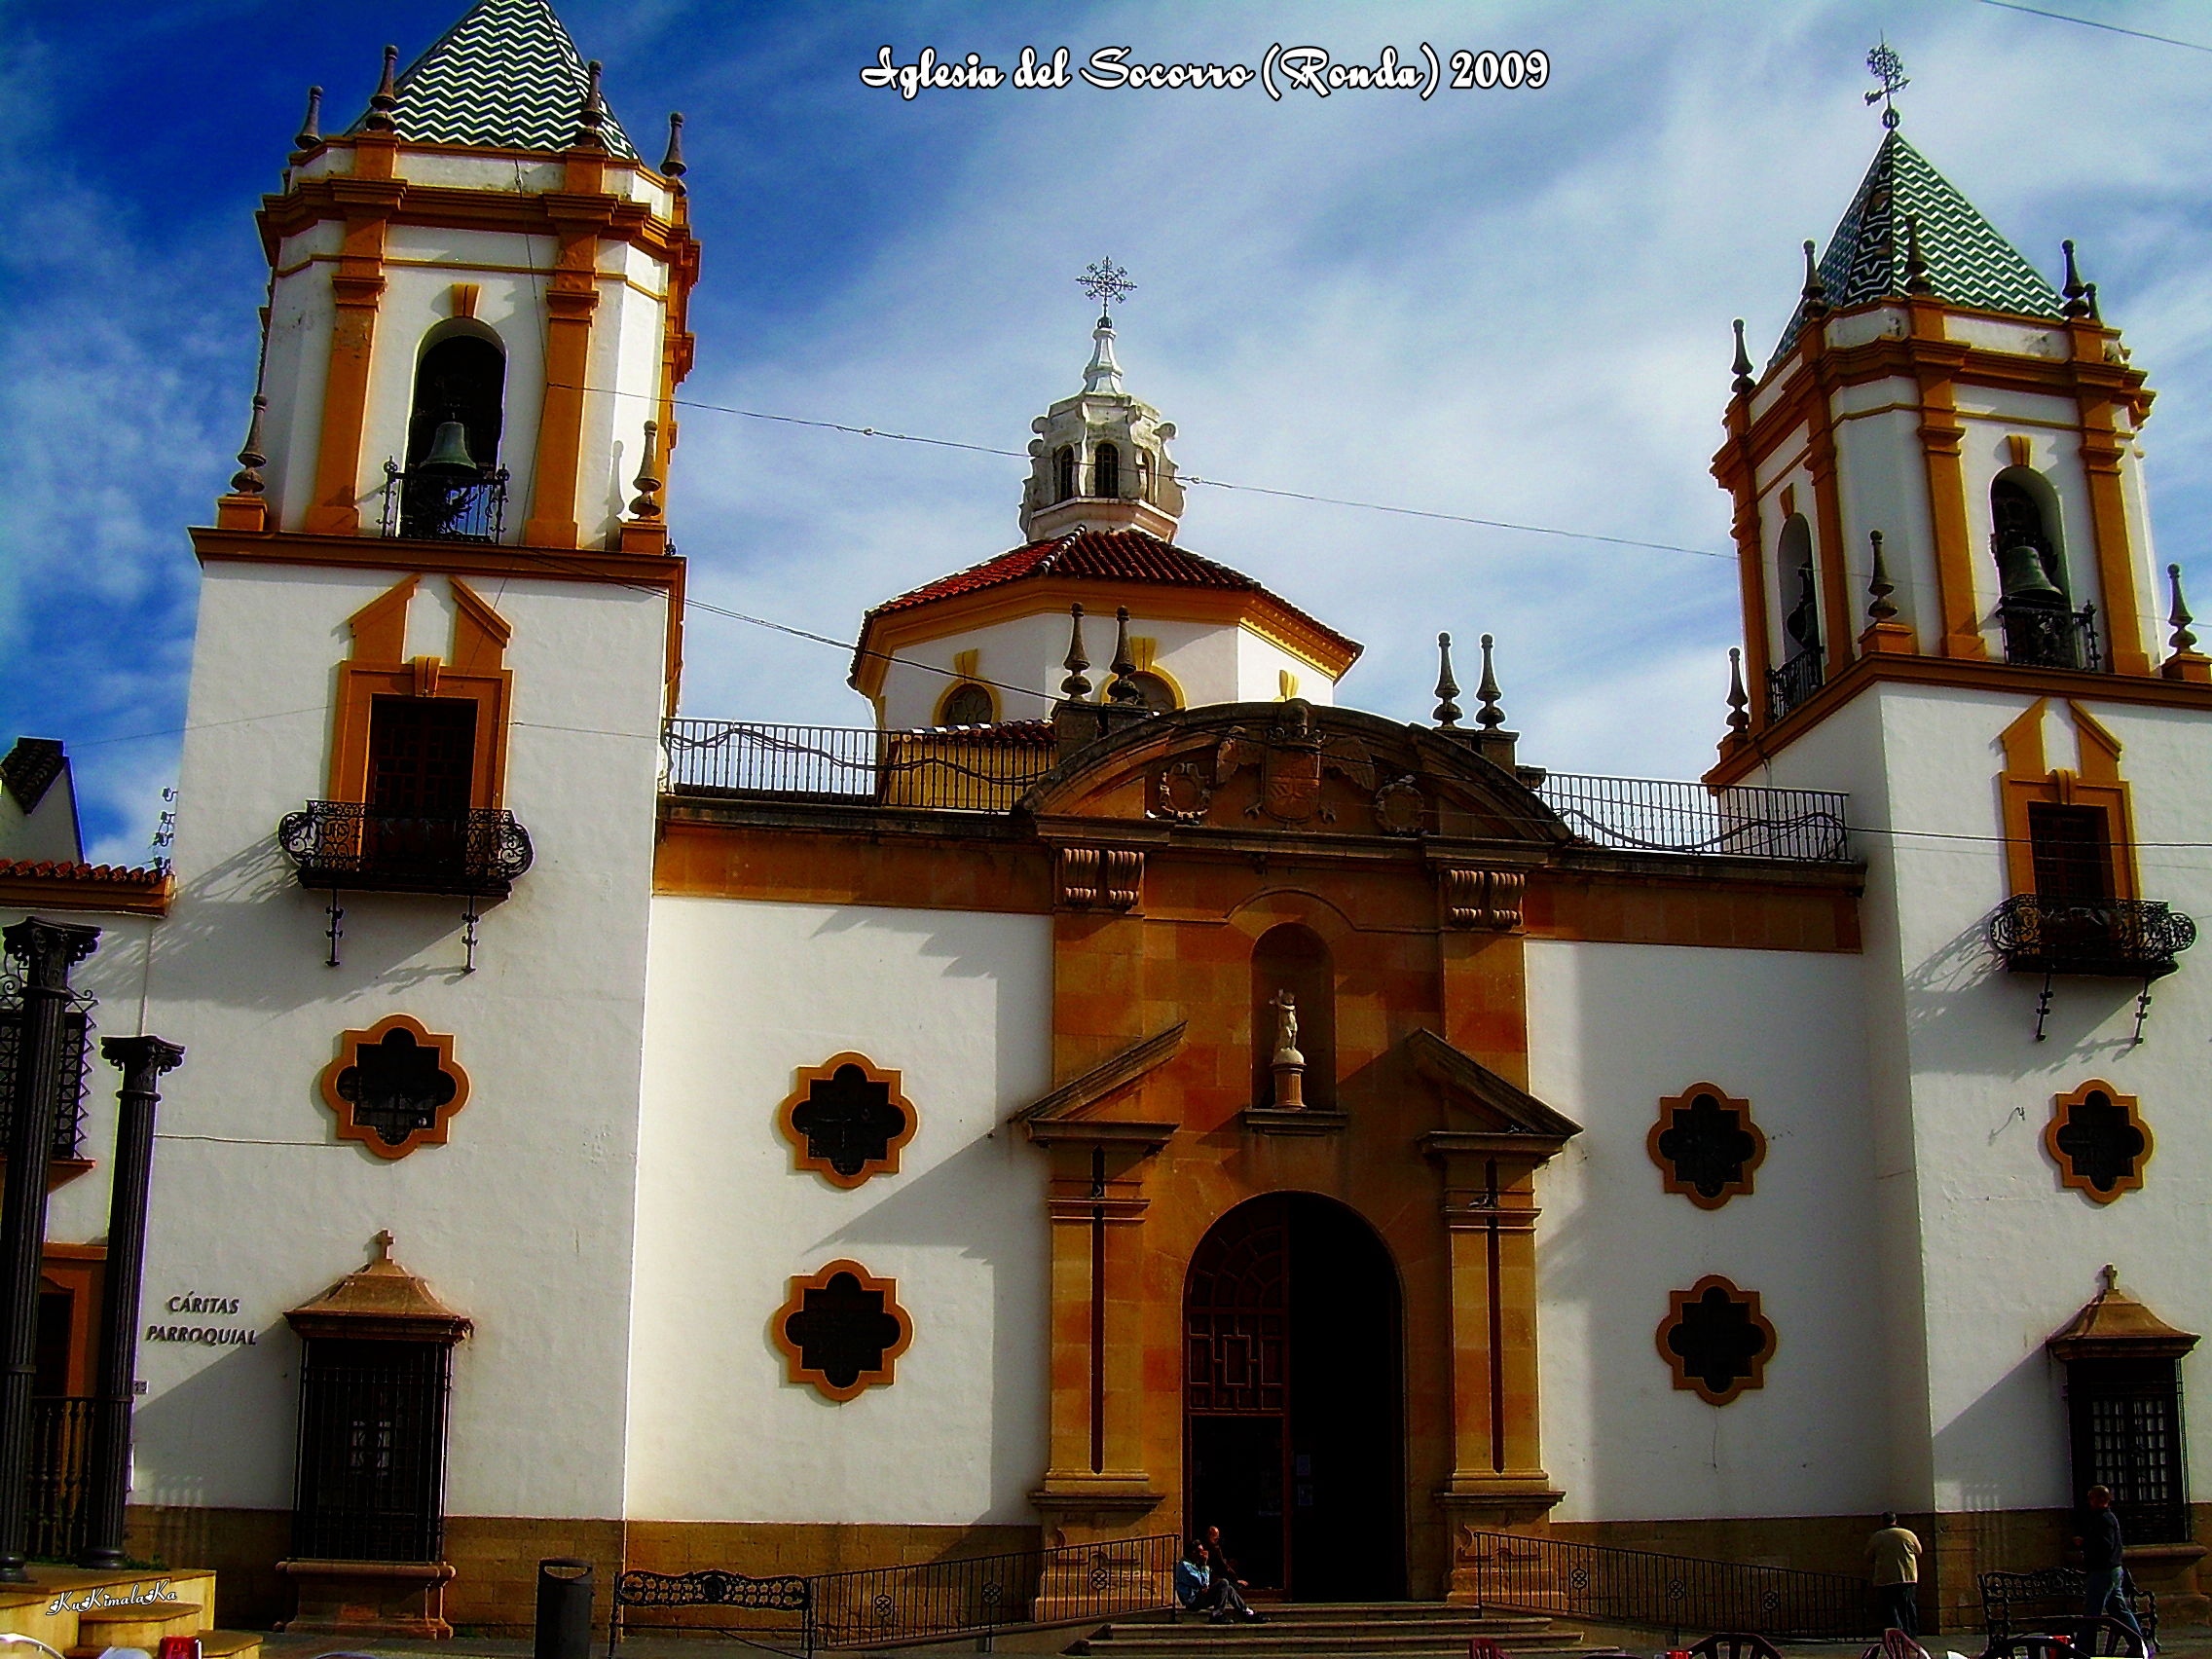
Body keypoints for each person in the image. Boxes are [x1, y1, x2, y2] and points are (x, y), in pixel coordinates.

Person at [2077, 1486, 2152, 1656]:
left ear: (2100, 1499)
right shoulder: (2104, 1518)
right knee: (2119, 1610)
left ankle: (2083, 1651)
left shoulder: (2104, 1519)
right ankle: (2138, 1642)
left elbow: (2105, 1546)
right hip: (2112, 1570)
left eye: (2091, 1498)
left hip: (2103, 1571)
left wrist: (2085, 1543)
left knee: (2092, 1613)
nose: (2089, 1502)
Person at [1864, 1511, 1922, 1637]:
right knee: (1907, 1606)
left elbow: (1868, 1556)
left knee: (1890, 1607)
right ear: (1895, 1520)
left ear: (1883, 1521)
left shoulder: (1877, 1537)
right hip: (1907, 1576)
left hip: (1885, 1577)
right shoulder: (1907, 1534)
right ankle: (1910, 1632)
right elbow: (1919, 1551)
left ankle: (1894, 1632)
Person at [1198, 1524, 1264, 1623]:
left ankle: (1246, 1611)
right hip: (1200, 1594)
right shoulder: (1207, 1550)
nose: (1217, 1541)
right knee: (1224, 1583)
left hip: (1209, 1584)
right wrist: (1235, 1579)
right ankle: (1217, 1613)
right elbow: (1223, 1566)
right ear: (1208, 1536)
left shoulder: (1213, 1549)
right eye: (1215, 1538)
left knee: (1228, 1587)